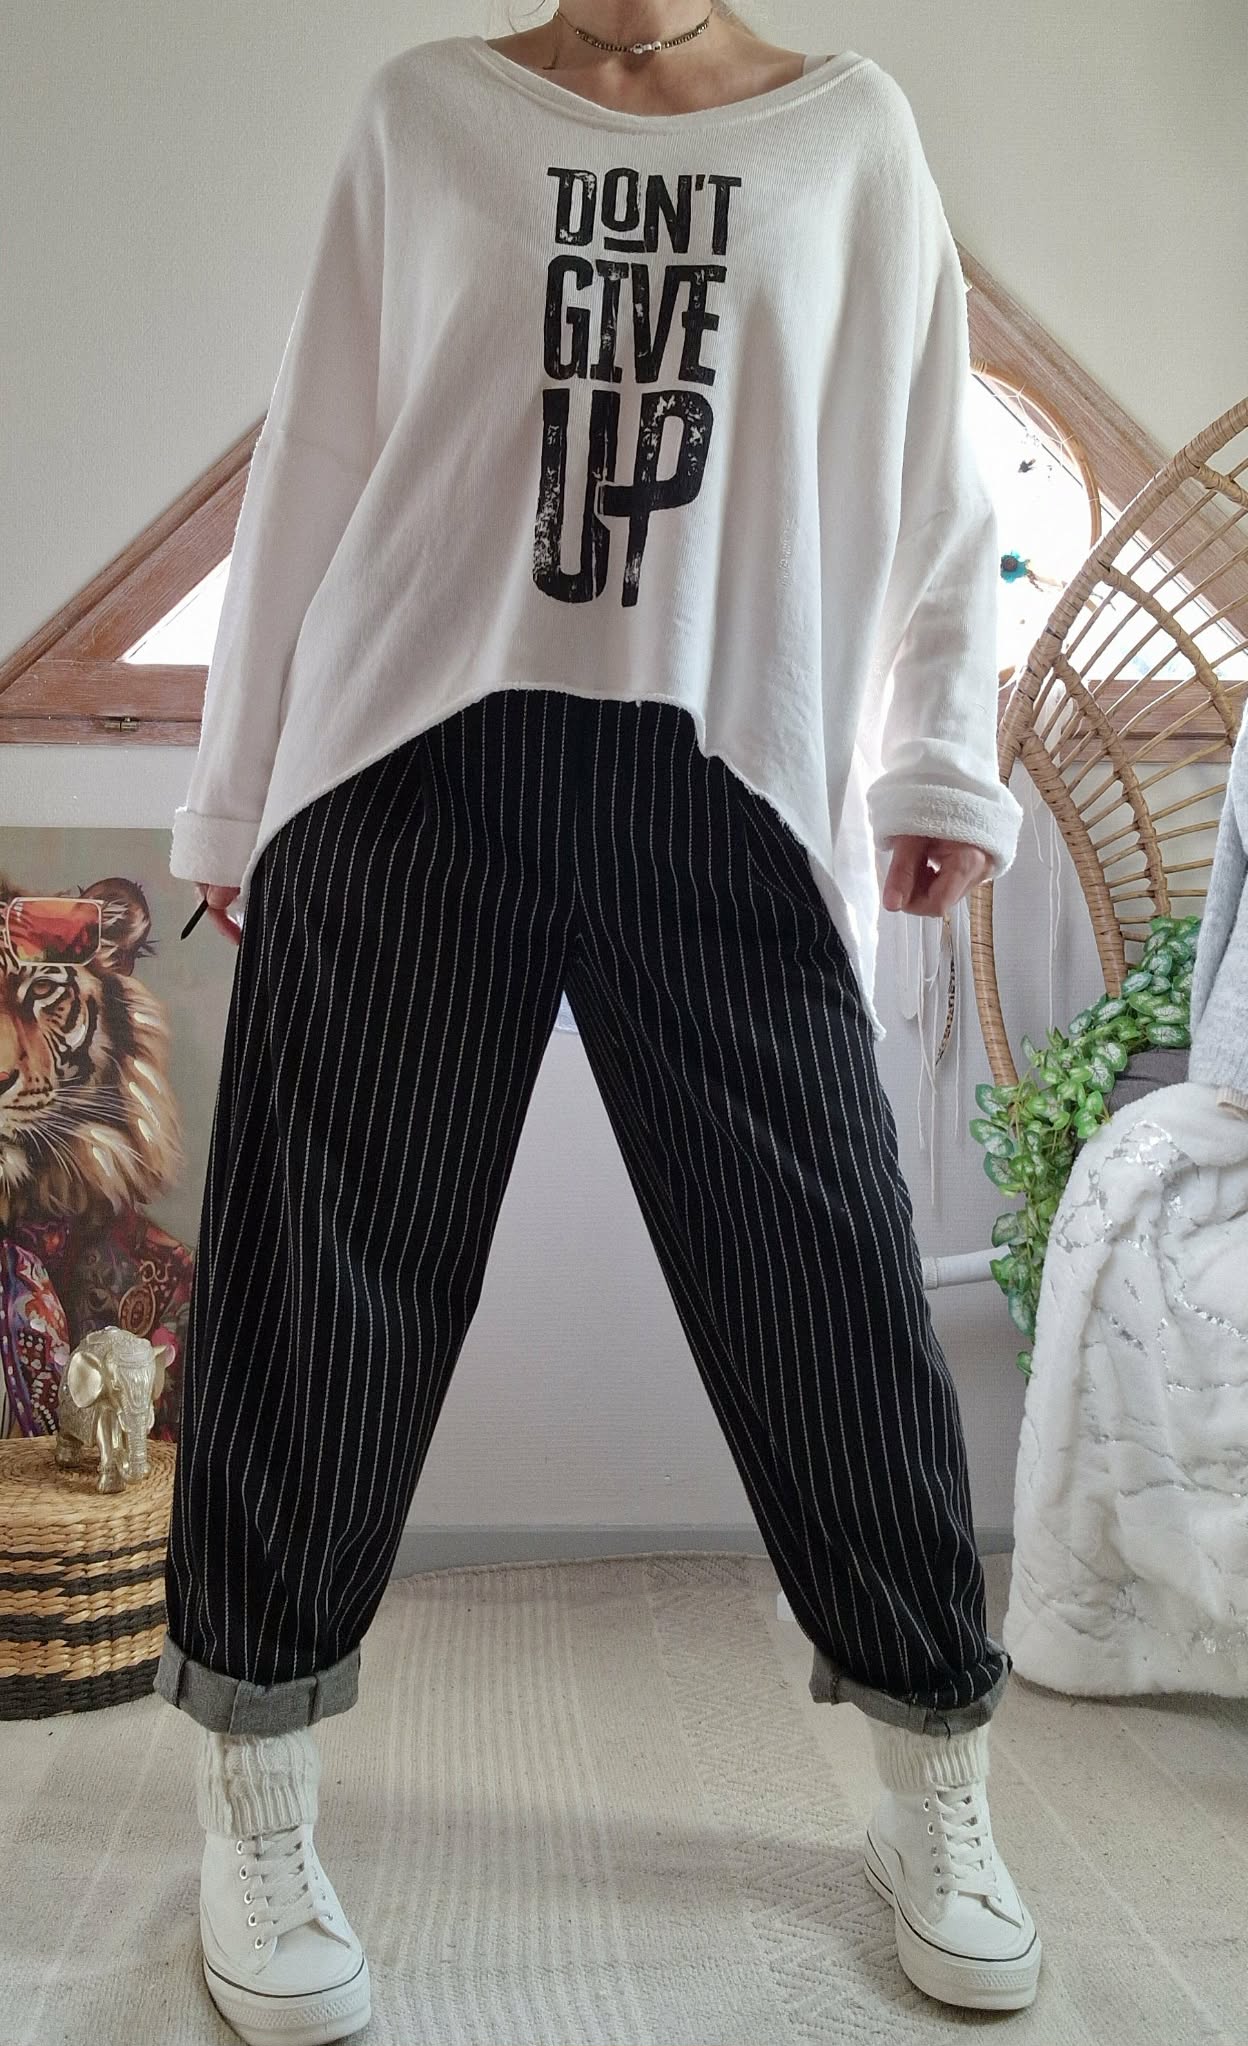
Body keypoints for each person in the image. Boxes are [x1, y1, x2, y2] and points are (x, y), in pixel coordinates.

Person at [158, 6, 1039, 2039]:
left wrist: (938, 762)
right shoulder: (426, 113)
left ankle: (935, 1777)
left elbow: (935, 463)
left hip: (725, 767)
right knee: (320, 1284)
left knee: (825, 1278)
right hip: (403, 763)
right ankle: (256, 1799)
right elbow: (316, 457)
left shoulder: (849, 137)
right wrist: (236, 792)